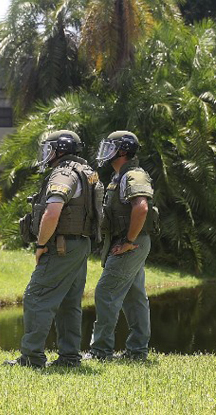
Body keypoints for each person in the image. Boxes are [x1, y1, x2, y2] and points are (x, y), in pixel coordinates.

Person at [7, 130, 101, 368]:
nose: (45, 154)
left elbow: (53, 211)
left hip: (61, 246)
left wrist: (41, 244)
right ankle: (69, 357)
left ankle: (31, 357)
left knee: (36, 297)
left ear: (60, 150)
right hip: (80, 245)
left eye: (49, 149)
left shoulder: (63, 174)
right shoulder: (87, 172)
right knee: (70, 302)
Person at [85, 131, 157, 362]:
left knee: (105, 292)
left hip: (131, 244)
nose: (105, 151)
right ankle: (137, 351)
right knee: (134, 296)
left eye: (111, 147)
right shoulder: (120, 176)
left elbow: (141, 207)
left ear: (123, 151)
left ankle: (100, 351)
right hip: (130, 243)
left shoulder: (133, 175)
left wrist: (129, 241)